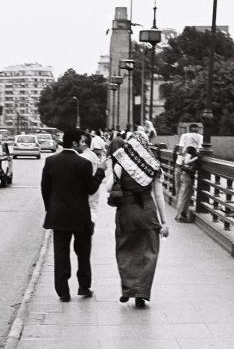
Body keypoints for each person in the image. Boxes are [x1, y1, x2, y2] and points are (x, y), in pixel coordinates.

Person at [40, 129, 107, 302]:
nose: (83, 144)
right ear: (75, 143)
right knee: (83, 252)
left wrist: (51, 209)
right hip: (80, 215)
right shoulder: (83, 164)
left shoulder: (50, 161)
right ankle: (84, 286)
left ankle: (63, 292)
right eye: (82, 141)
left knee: (61, 253)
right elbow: (91, 188)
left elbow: (45, 189)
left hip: (58, 215)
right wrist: (100, 171)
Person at [107, 130, 169, 308]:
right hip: (147, 213)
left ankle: (128, 289)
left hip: (126, 212)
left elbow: (108, 188)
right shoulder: (154, 166)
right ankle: (141, 293)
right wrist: (163, 221)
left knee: (125, 250)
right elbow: (159, 196)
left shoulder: (121, 163)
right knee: (148, 253)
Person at [77, 133, 102, 226]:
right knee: (93, 208)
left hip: (86, 186)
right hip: (95, 186)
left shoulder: (83, 157)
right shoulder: (93, 155)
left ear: (83, 142)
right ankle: (91, 224)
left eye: (79, 141)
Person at [174, 124, 203, 195]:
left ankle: (179, 203)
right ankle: (188, 202)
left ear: (188, 129)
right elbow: (200, 151)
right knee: (188, 190)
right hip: (191, 167)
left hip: (180, 164)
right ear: (198, 130)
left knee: (178, 188)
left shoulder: (184, 135)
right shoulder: (201, 137)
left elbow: (180, 151)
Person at [175, 145, 200, 222]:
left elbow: (183, 163)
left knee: (181, 195)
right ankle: (182, 216)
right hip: (188, 177)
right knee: (185, 197)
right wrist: (196, 158)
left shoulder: (184, 155)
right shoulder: (193, 157)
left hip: (183, 175)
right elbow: (191, 168)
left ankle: (178, 214)